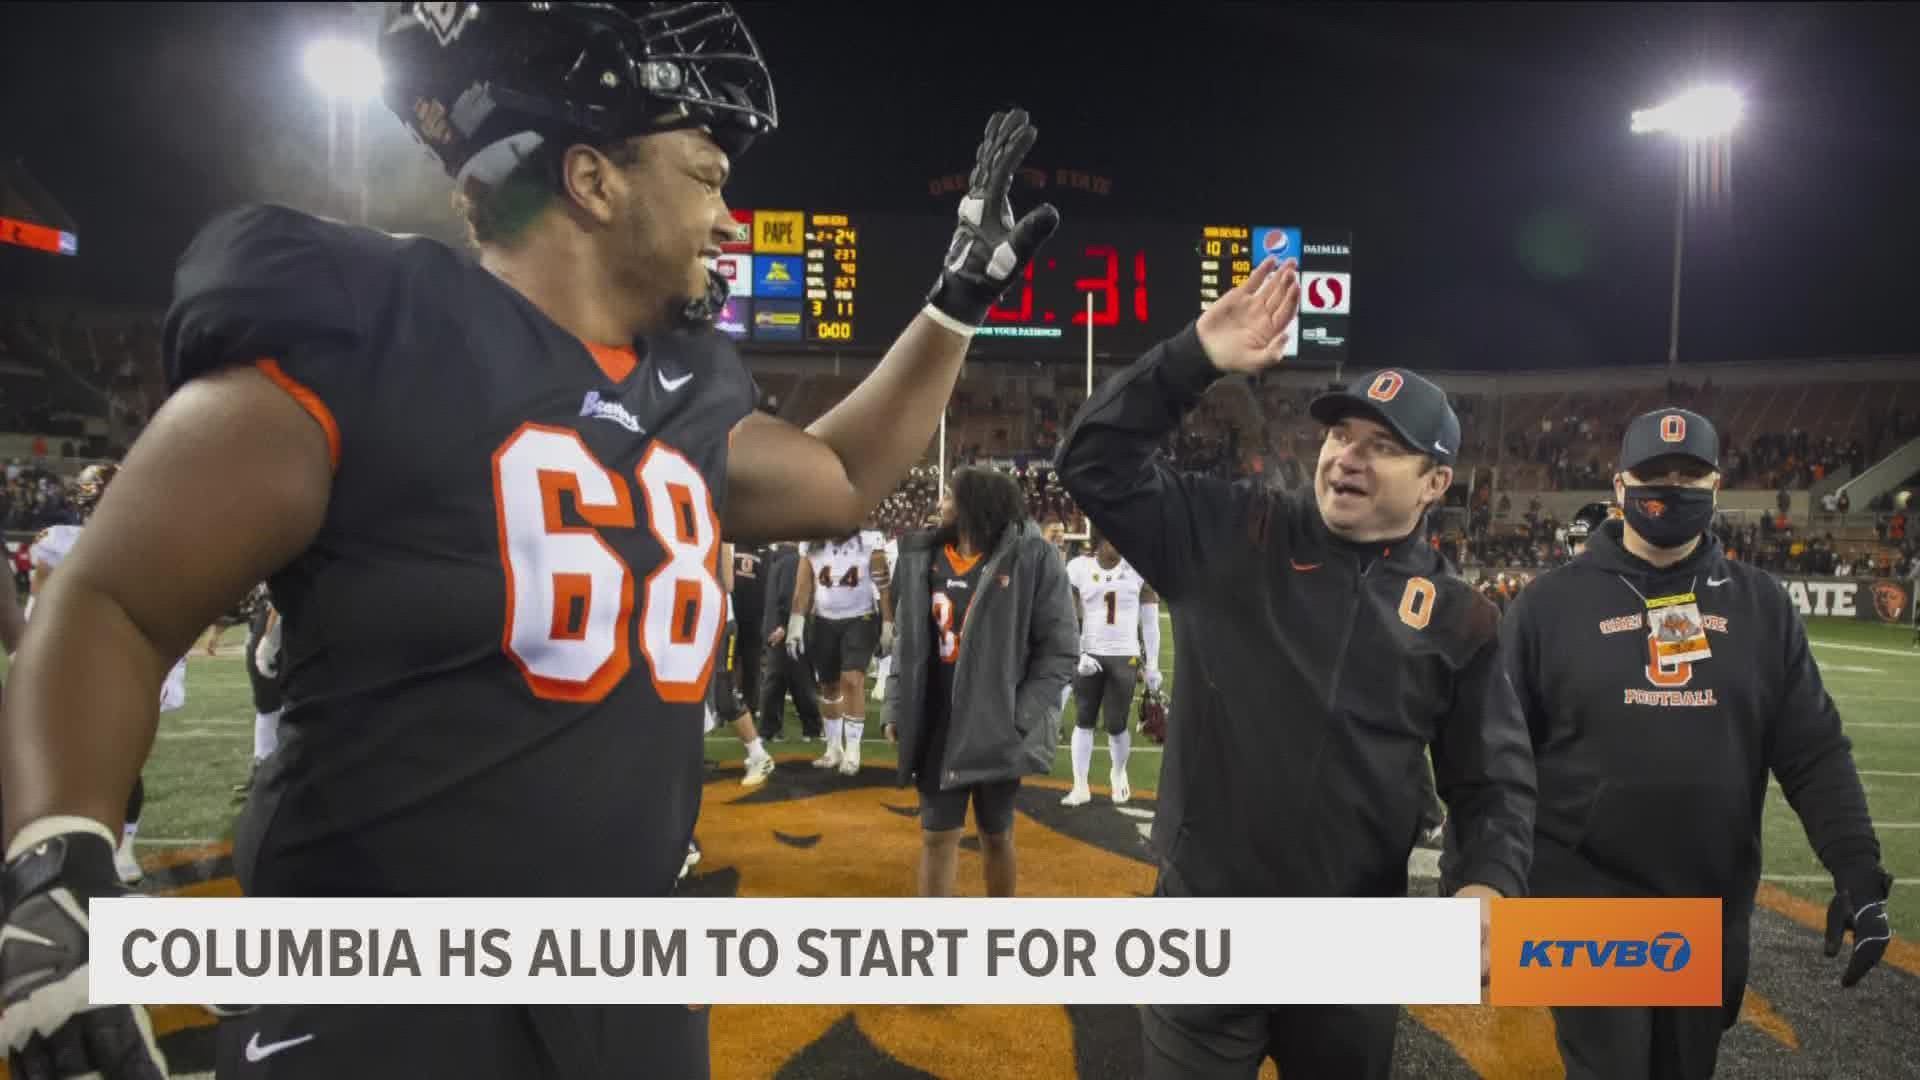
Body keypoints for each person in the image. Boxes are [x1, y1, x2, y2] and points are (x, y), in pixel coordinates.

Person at [0, 3, 1062, 1076]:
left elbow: (837, 479)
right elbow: (115, 602)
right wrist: (57, 859)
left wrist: (957, 302)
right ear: (592, 181)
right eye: (706, 174)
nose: (732, 219)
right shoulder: (377, 330)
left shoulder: (687, 397)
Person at [1057, 258, 1535, 1080]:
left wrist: (1489, 884)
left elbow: (1491, 783)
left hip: (1353, 948)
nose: (1348, 456)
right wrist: (1191, 359)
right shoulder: (1229, 531)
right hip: (1205, 932)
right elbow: (1091, 465)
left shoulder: (1462, 617)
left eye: (1384, 447)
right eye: (1341, 434)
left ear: (1435, 484)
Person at [1502, 407, 1893, 1080]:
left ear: (1717, 487)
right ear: (1619, 485)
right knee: (1611, 1068)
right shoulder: (1546, 606)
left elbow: (1814, 751)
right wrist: (1485, 878)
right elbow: (1497, 755)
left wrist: (1857, 868)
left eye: (1690, 474)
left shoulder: (1761, 607)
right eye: (1655, 473)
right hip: (1583, 894)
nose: (1671, 488)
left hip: (1710, 902)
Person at [883, 466, 1076, 897]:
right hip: (937, 722)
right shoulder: (923, 557)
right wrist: (896, 704)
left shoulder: (1033, 557)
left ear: (973, 504)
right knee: (936, 837)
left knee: (996, 835)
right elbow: (908, 642)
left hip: (995, 724)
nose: (939, 504)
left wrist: (1016, 717)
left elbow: (1060, 650)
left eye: (948, 496)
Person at [25, 464, 184, 885]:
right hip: (69, 658)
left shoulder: (150, 548)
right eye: (95, 500)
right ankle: (66, 844)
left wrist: (166, 666)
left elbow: (166, 612)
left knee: (122, 761)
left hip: (123, 656)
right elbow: (38, 605)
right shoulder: (58, 542)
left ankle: (123, 847)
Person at [1061, 532, 1161, 806]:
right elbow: (1067, 616)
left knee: (1116, 724)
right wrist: (1077, 651)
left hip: (1124, 655)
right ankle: (1080, 785)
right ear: (1100, 541)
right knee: (1084, 719)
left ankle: (1119, 774)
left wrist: (1152, 665)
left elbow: (1151, 621)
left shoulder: (1137, 568)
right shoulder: (1079, 567)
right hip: (1090, 653)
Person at [788, 528, 891, 775]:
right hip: (824, 620)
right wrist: (796, 621)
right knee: (828, 686)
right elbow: (803, 586)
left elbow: (884, 586)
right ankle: (834, 748)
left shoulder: (869, 540)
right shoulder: (811, 543)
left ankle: (853, 750)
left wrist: (888, 621)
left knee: (852, 680)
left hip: (861, 617)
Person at [760, 541, 822, 740]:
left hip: (773, 627)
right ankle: (811, 728)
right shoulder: (793, 561)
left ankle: (771, 729)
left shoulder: (775, 561)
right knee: (801, 681)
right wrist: (786, 626)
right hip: (788, 630)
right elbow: (789, 595)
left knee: (776, 682)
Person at [233, 582, 283, 804]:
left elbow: (282, 596)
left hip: (276, 624)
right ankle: (264, 769)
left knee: (273, 701)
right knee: (266, 703)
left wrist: (269, 639)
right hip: (263, 621)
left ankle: (271, 771)